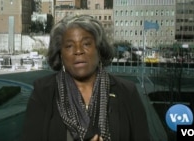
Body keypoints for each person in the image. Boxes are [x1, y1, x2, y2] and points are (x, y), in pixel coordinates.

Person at [22, 15, 151, 141]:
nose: (78, 51)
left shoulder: (127, 92)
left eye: (86, 44)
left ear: (99, 49)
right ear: (60, 53)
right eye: (69, 46)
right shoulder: (43, 93)